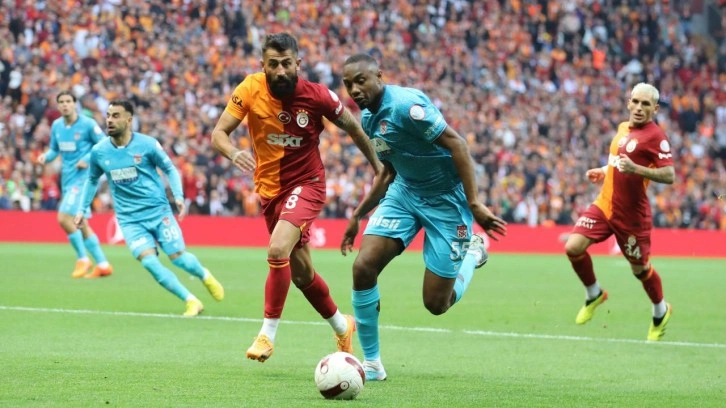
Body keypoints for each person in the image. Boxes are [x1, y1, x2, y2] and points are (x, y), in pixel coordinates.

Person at [211, 33, 382, 363]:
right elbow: (219, 133)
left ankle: (267, 335)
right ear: (263, 65)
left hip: (307, 184)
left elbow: (353, 127)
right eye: (273, 64)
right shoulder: (249, 88)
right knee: (302, 275)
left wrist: (378, 168)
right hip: (269, 191)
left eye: (286, 63)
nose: (280, 71)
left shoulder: (317, 96)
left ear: (298, 64)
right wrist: (233, 153)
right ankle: (342, 325)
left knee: (277, 250)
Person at [340, 53, 508, 380]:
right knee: (363, 267)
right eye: (348, 84)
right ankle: (372, 364)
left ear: (379, 76)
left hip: (447, 201)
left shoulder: (407, 107)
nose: (355, 90)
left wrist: (474, 203)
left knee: (436, 304)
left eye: (361, 81)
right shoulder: (369, 119)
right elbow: (388, 171)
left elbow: (458, 145)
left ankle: (473, 254)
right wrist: (358, 215)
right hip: (404, 192)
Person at [74, 100, 224, 316]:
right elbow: (91, 180)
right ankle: (191, 300)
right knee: (150, 263)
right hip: (129, 219)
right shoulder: (99, 151)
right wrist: (82, 209)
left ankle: (204, 275)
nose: (109, 120)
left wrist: (178, 196)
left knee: (179, 258)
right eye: (108, 115)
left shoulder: (148, 145)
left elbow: (170, 169)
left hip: (158, 212)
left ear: (129, 120)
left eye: (116, 115)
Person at [564, 83, 675, 341]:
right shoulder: (624, 128)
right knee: (573, 247)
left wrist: (637, 170)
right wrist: (605, 170)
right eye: (635, 102)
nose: (639, 108)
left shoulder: (656, 137)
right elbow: (619, 162)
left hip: (632, 217)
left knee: (640, 270)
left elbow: (669, 175)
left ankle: (660, 311)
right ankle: (594, 294)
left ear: (655, 109)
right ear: (628, 103)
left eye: (645, 104)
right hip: (605, 205)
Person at [37, 91, 113, 279]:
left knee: (64, 218)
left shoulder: (87, 124)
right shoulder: (57, 126)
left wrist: (86, 159)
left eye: (68, 101)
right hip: (68, 179)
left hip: (84, 179)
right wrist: (45, 157)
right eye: (61, 102)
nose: (65, 105)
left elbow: (104, 144)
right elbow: (54, 150)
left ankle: (83, 259)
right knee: (81, 223)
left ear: (74, 104)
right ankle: (103, 264)